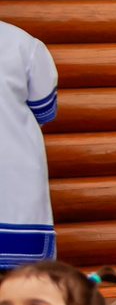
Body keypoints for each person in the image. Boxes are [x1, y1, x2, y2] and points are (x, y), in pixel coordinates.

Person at [0, 19, 56, 266]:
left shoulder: (24, 44)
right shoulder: (21, 43)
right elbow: (44, 110)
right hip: (14, 182)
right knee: (21, 281)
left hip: (14, 183)